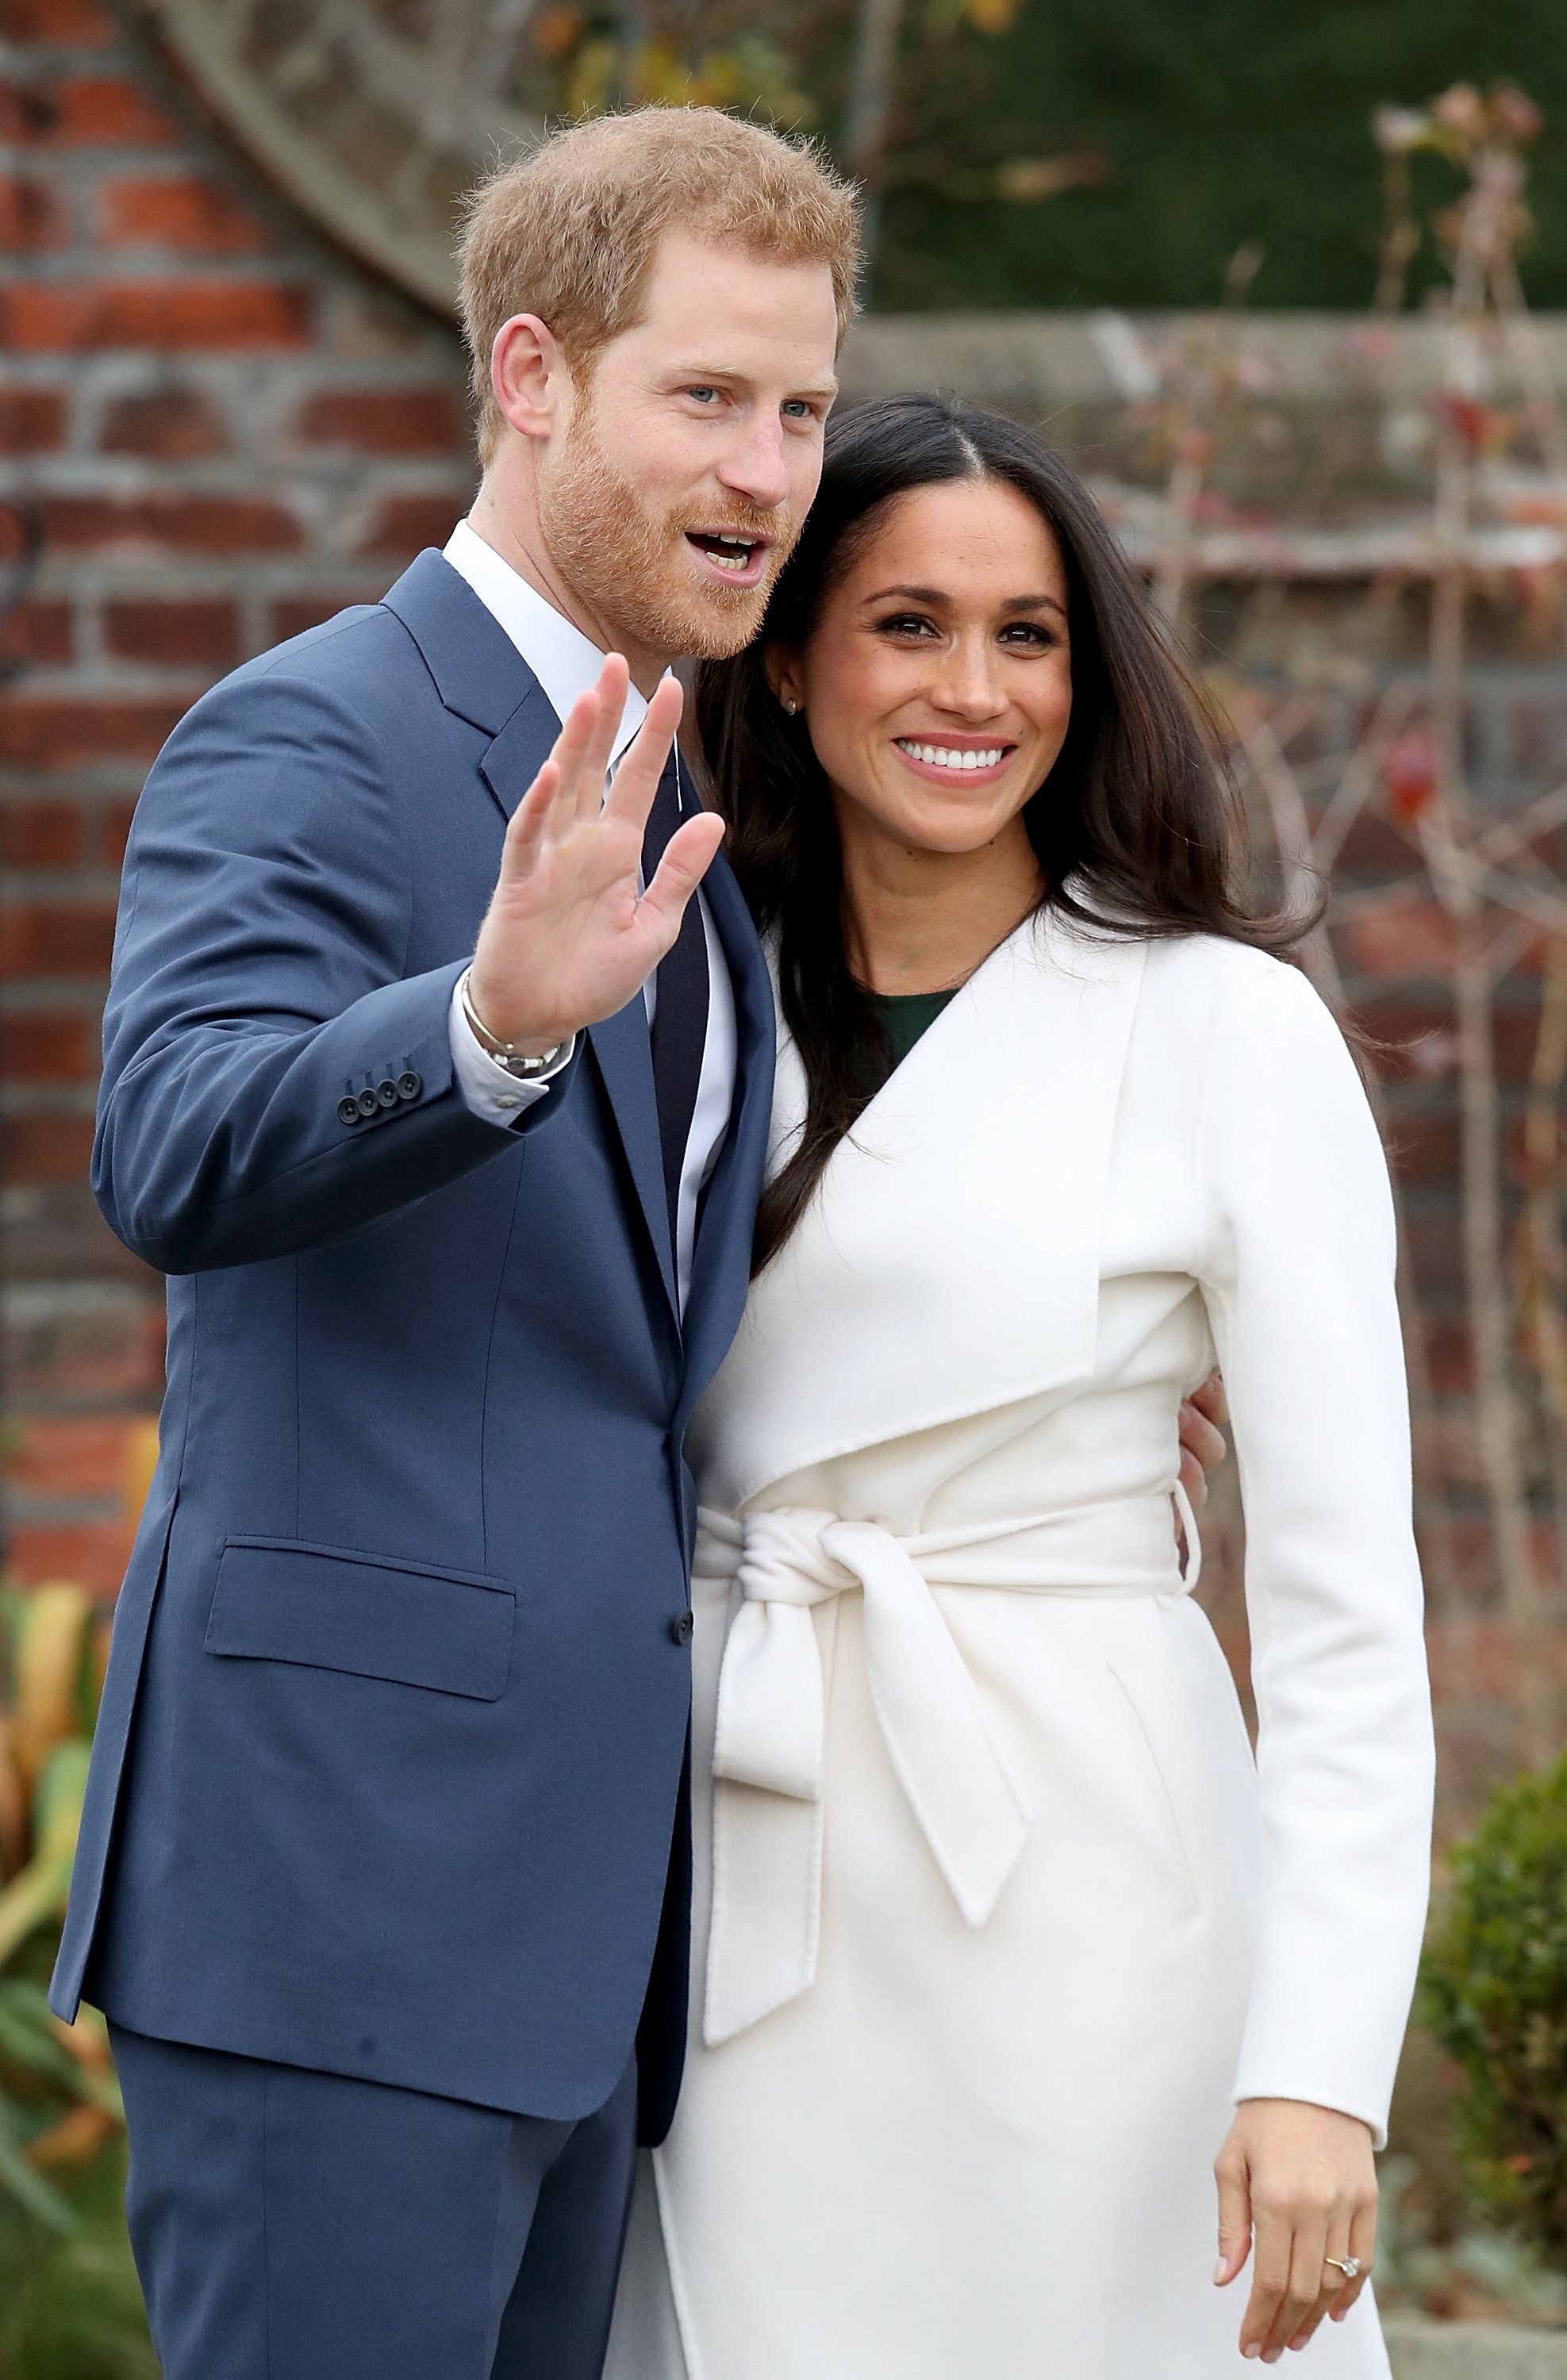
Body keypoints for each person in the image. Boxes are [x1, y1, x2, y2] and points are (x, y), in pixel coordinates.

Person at [49, 108, 856, 2380]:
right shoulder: (310, 734)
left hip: (588, 1943)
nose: (771, 466)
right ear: (529, 378)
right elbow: (171, 1147)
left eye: (801, 408)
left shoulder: (704, 808)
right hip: (339, 1915)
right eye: (706, 395)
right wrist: (487, 1025)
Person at [603, 395, 1435, 2379]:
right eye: (905, 624)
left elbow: (1343, 1615)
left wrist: (1322, 2069)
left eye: (1027, 633)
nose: (971, 688)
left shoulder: (1221, 1026)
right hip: (743, 1868)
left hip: (1095, 1885)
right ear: (789, 658)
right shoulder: (672, 1003)